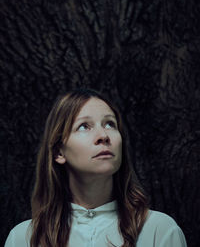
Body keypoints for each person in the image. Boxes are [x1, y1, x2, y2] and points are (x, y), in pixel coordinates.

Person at [4, 88, 187, 247]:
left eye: (110, 124)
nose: (103, 136)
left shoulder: (159, 229)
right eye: (84, 126)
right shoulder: (24, 238)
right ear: (59, 152)